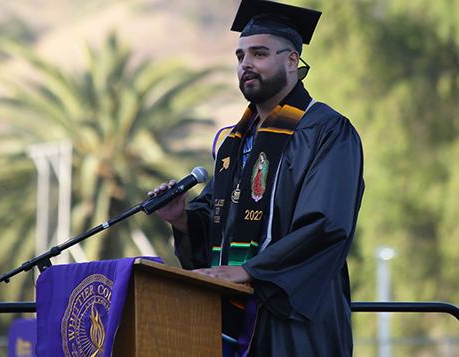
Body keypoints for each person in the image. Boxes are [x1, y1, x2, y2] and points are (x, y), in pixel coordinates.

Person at [149, 0, 364, 355]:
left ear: (292, 61)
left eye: (259, 54)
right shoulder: (235, 142)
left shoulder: (327, 130)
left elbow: (326, 225)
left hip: (292, 318)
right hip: (226, 313)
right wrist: (182, 220)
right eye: (240, 57)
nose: (246, 64)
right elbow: (218, 226)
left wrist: (251, 271)